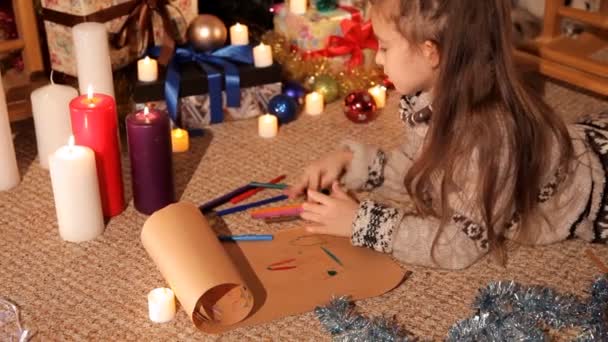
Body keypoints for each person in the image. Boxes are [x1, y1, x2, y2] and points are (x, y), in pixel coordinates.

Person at [286, 0, 608, 270]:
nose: (379, 58)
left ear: (431, 53)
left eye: (384, 47)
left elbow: (461, 244)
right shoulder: (431, 97)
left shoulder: (486, 140)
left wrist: (362, 223)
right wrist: (352, 164)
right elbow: (427, 173)